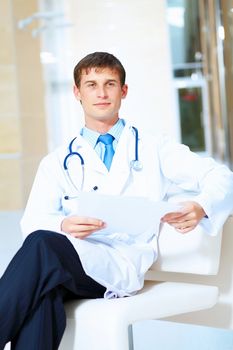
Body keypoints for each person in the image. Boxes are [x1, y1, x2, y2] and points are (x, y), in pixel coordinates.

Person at [1, 51, 233, 349]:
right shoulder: (56, 161)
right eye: (91, 84)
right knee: (43, 292)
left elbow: (223, 177)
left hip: (122, 266)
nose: (101, 93)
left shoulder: (154, 147)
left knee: (44, 247)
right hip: (73, 261)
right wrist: (63, 223)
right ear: (77, 93)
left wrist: (202, 205)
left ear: (123, 91)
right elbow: (32, 222)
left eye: (109, 84)